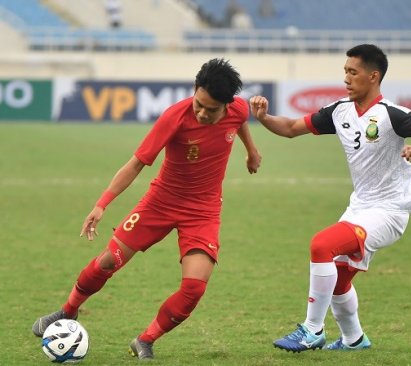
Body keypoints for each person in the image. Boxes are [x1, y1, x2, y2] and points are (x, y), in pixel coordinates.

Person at [31, 58, 262, 360]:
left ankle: (145, 340)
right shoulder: (174, 118)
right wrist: (102, 205)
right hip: (161, 202)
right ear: (195, 89)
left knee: (194, 288)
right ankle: (68, 310)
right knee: (107, 262)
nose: (203, 113)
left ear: (227, 104)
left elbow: (241, 120)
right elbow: (137, 163)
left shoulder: (238, 109)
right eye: (199, 104)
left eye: (212, 109)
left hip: (203, 211)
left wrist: (252, 151)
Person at [249, 44, 411, 352]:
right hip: (359, 207)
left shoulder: (392, 115)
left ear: (373, 76)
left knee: (321, 245)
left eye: (353, 72)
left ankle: (312, 330)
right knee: (338, 281)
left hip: (389, 211)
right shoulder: (340, 111)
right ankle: (354, 339)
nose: (346, 78)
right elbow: (292, 128)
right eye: (345, 71)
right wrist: (264, 117)